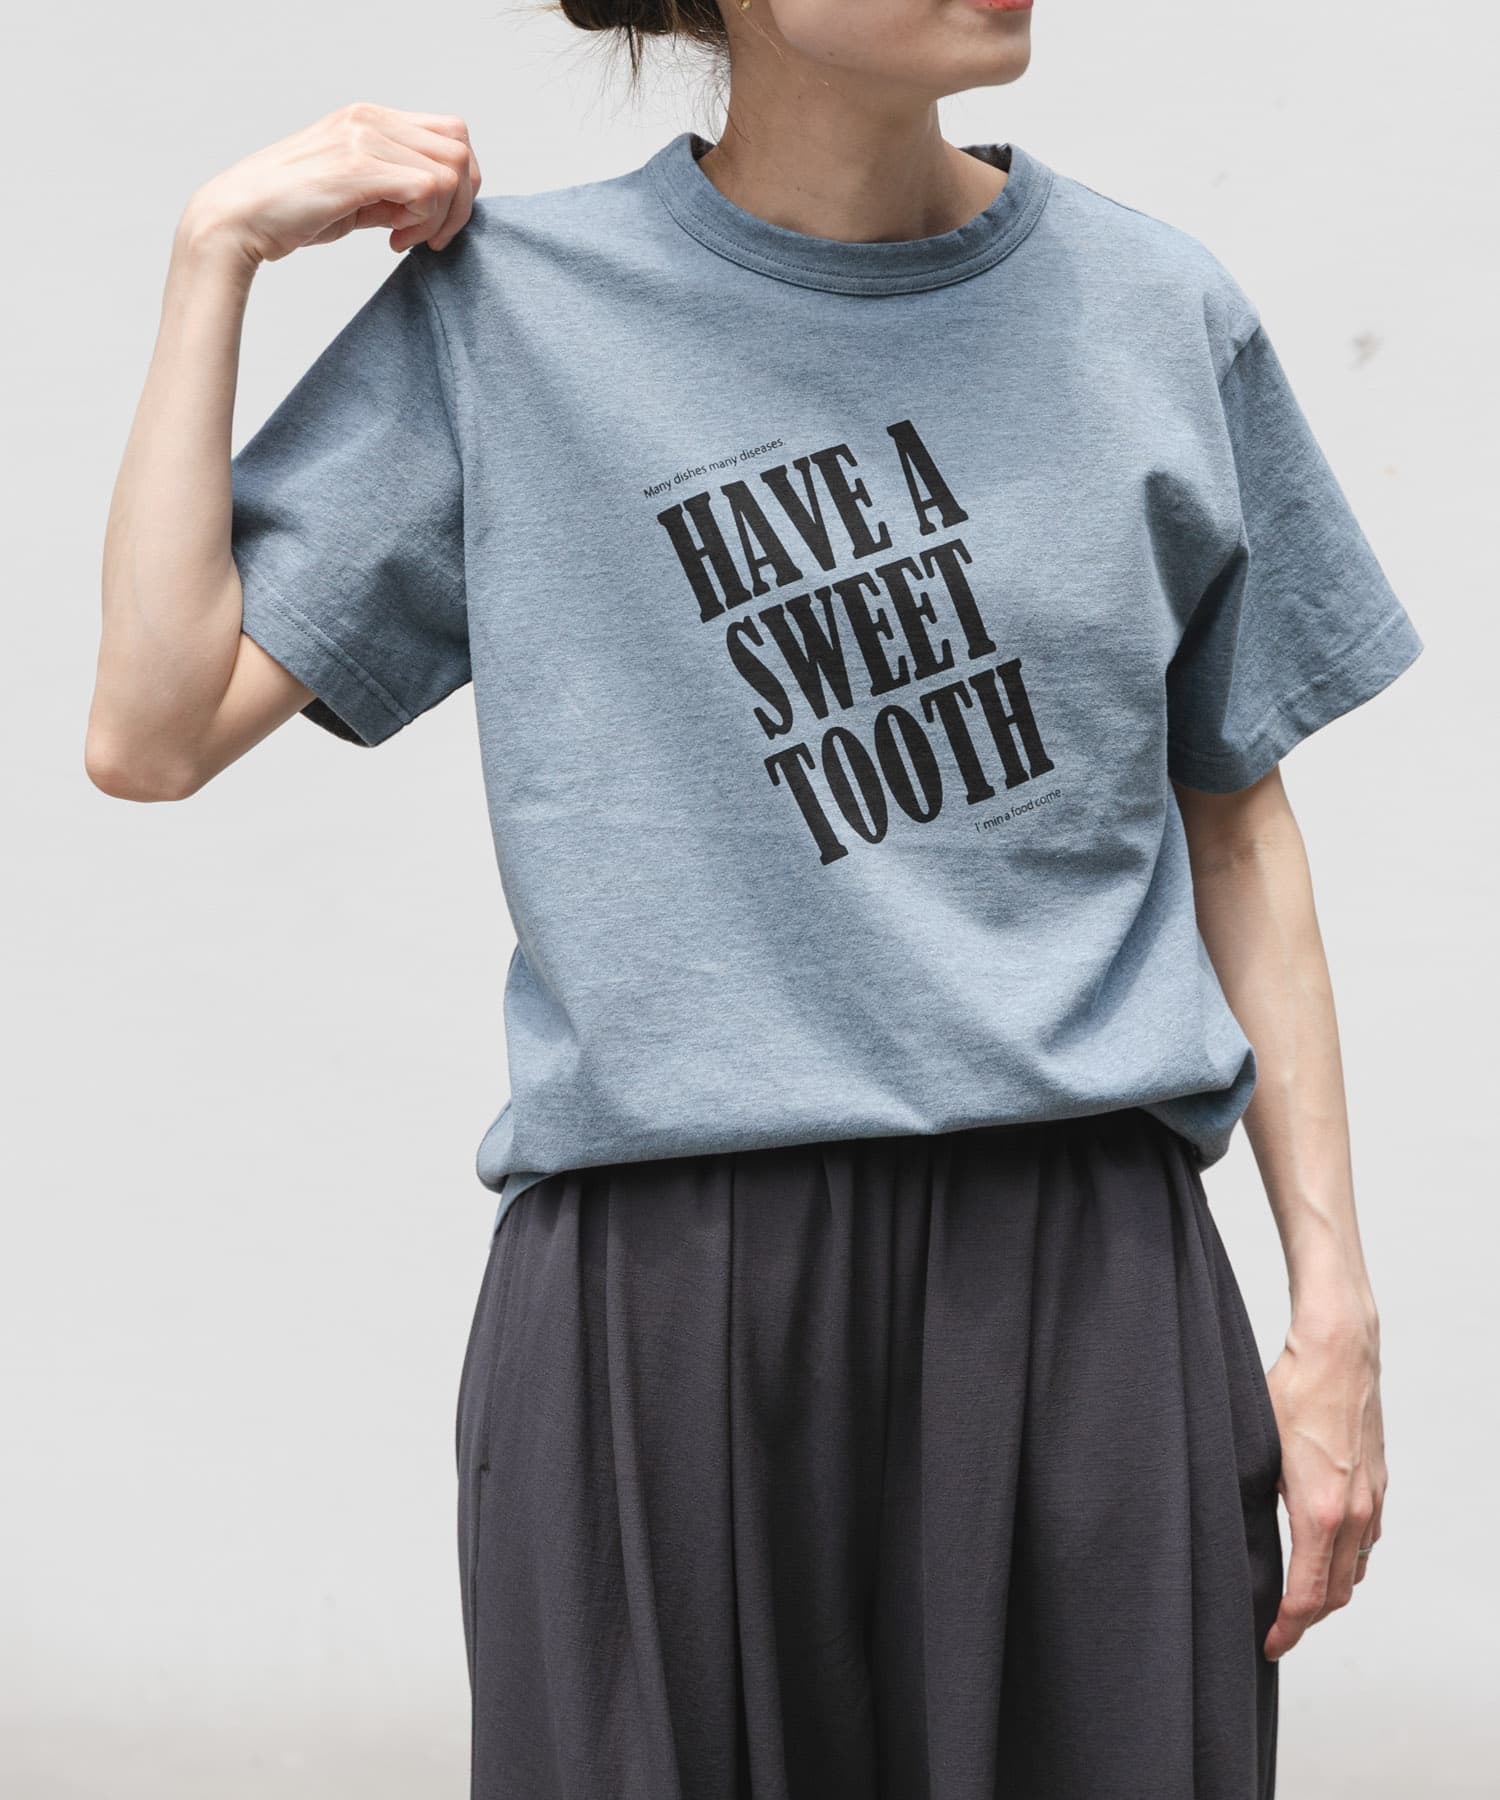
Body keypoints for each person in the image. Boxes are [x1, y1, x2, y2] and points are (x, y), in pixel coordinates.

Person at [87, 1, 1422, 1795]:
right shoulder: (514, 316)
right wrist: (215, 258)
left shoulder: (1155, 310)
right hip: (666, 1301)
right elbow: (152, 727)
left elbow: (1239, 821)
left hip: (1079, 1285)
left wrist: (1335, 1312)